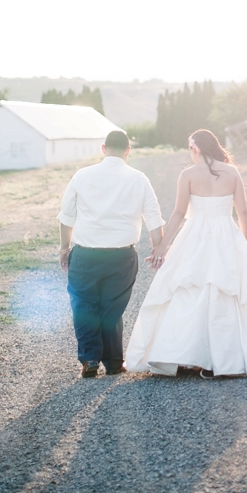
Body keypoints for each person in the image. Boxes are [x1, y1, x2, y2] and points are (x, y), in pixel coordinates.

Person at [125, 128, 247, 378]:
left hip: (194, 234)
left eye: (190, 148)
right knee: (228, 290)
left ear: (196, 148)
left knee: (188, 288)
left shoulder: (188, 174)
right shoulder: (232, 172)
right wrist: (243, 242)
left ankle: (185, 355)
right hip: (227, 234)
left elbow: (179, 213)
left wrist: (162, 246)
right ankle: (228, 358)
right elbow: (243, 212)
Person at [58, 129, 164, 378]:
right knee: (112, 308)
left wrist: (64, 249)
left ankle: (90, 358)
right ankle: (114, 363)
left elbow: (66, 217)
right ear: (128, 151)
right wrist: (158, 249)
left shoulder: (82, 175)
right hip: (122, 257)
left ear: (103, 149)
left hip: (85, 255)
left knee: (83, 305)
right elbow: (153, 218)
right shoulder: (138, 179)